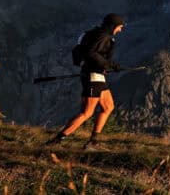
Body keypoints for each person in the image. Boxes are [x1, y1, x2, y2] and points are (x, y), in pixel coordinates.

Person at [46, 13, 124, 150]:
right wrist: (109, 65)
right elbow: (92, 54)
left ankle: (93, 141)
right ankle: (57, 140)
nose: (120, 30)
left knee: (108, 107)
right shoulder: (103, 37)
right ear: (113, 26)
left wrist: (105, 66)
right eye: (119, 27)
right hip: (93, 77)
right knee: (87, 113)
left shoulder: (93, 33)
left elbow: (85, 53)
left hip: (96, 76)